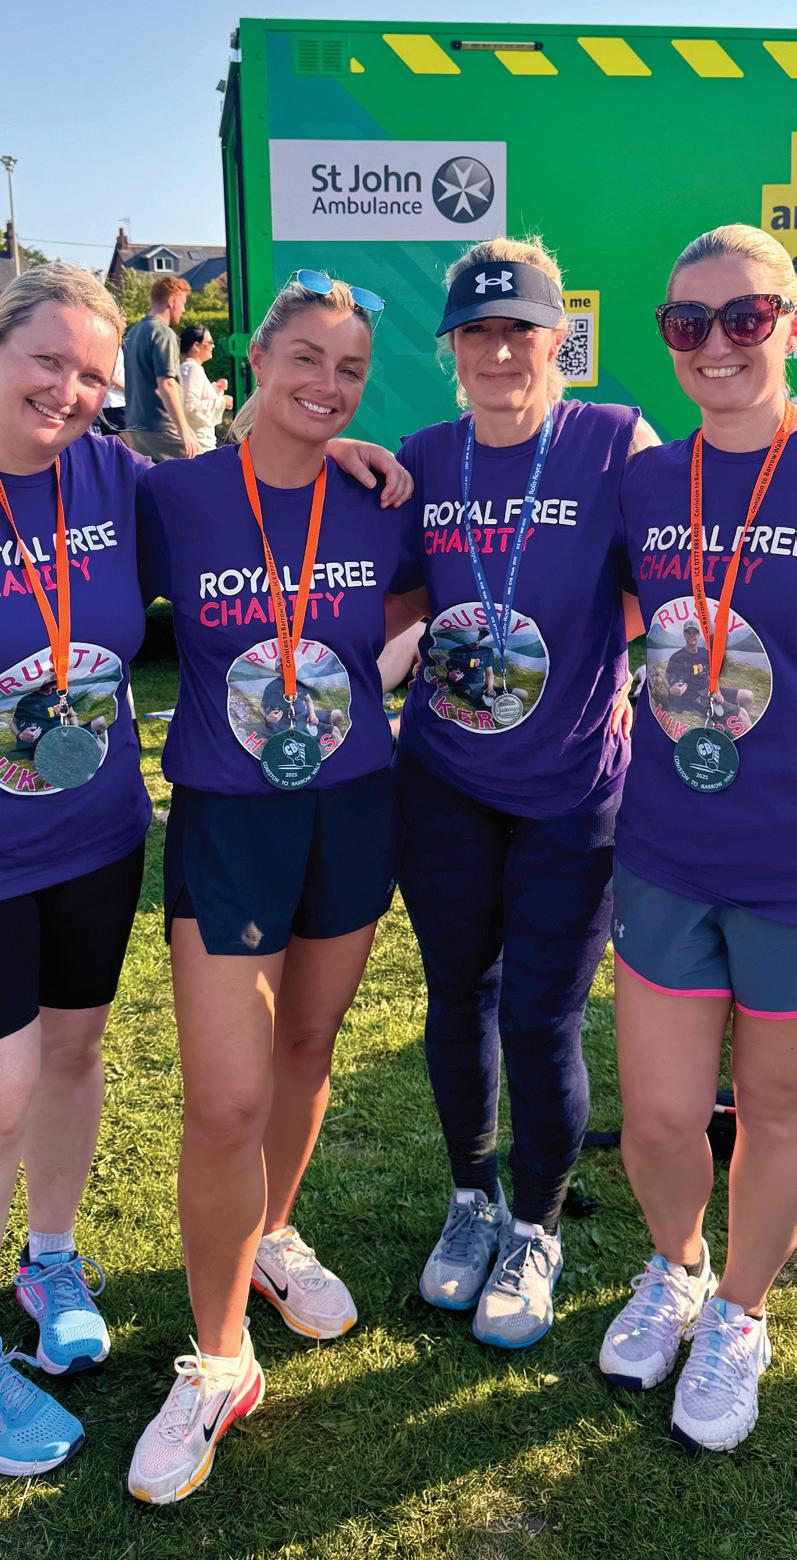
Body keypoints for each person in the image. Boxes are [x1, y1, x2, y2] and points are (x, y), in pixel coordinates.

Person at [128, 273, 422, 1503]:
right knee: (222, 1100)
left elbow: (410, 616)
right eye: (304, 356)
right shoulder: (173, 497)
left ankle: (272, 1230)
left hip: (350, 808)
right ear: (253, 358)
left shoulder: (381, 495)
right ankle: (218, 1360)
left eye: (347, 369)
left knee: (306, 1046)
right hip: (229, 821)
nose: (326, 384)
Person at [336, 235, 655, 1349]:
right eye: (476, 332)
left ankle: (534, 1228)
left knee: (541, 1014)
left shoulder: (611, 440)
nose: (498, 352)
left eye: (519, 330)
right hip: (445, 777)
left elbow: (655, 579)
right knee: (457, 995)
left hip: (571, 783)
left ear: (556, 338)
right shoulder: (426, 457)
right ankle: (471, 1200)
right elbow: (387, 598)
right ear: (451, 348)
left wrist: (609, 671)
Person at [600, 223, 797, 1453]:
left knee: (775, 1111)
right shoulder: (642, 479)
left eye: (744, 317)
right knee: (662, 1117)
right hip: (666, 849)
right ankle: (675, 1268)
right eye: (687, 322)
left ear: (787, 322)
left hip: (788, 866)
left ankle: (738, 1314)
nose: (714, 343)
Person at [0, 264, 151, 1475]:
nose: (68, 390)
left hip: (98, 837)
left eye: (92, 374)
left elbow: (245, 494)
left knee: (72, 1052)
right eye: (47, 360)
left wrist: (347, 451)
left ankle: (49, 1258)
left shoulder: (112, 474)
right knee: (0, 1090)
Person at [123, 275, 198, 462]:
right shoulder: (163, 334)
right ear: (172, 301)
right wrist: (184, 430)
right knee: (198, 469)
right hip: (161, 427)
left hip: (136, 425)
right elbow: (166, 384)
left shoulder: (133, 332)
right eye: (183, 302)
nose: (184, 309)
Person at [661, 619, 753, 731]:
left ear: (698, 634)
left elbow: (714, 674)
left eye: (694, 632)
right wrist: (672, 690)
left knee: (747, 696)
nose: (691, 635)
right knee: (742, 714)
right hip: (695, 697)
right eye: (688, 632)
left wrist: (718, 691)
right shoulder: (677, 657)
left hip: (710, 689)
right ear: (684, 634)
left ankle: (741, 727)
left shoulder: (704, 653)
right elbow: (671, 680)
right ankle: (745, 727)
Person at [179, 323, 233, 453]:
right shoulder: (193, 369)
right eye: (210, 342)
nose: (213, 346)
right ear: (196, 346)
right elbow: (190, 407)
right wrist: (222, 401)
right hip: (199, 444)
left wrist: (215, 389)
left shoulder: (186, 368)